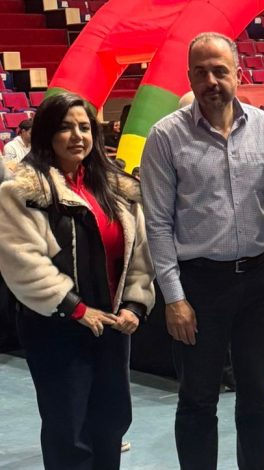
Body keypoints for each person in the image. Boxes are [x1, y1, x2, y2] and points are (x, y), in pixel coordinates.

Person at [140, 32, 264, 470]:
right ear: (189, 77)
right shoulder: (165, 137)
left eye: (220, 71)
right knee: (198, 400)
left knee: (257, 396)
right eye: (201, 72)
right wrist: (174, 298)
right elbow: (158, 223)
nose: (211, 81)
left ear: (238, 74)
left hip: (259, 281)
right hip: (198, 286)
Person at [0, 92, 155, 469]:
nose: (77, 136)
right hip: (57, 328)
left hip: (112, 326)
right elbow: (23, 260)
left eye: (84, 128)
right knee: (69, 432)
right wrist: (77, 309)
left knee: (111, 422)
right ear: (47, 134)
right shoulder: (22, 192)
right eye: (65, 128)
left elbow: (139, 251)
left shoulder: (116, 189)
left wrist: (134, 304)